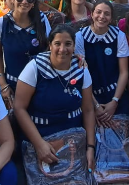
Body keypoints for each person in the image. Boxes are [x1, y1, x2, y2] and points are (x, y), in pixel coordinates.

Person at [13, 26, 96, 166]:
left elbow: (88, 110)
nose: (63, 49)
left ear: (74, 46)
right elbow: (19, 108)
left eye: (68, 44)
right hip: (41, 137)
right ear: (50, 45)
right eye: (57, 43)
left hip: (73, 140)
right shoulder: (34, 68)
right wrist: (39, 144)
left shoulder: (81, 69)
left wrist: (90, 147)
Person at [0, 0, 51, 101]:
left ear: (33, 3)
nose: (24, 2)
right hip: (12, 84)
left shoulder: (42, 20)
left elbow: (50, 48)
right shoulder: (1, 23)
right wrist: (3, 85)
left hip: (38, 84)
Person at [75, 0, 129, 124]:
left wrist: (114, 101)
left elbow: (123, 72)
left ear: (111, 18)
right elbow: (82, 74)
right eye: (98, 12)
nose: (102, 17)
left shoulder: (119, 35)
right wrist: (95, 106)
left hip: (116, 94)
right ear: (92, 14)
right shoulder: (80, 36)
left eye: (107, 14)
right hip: (90, 96)